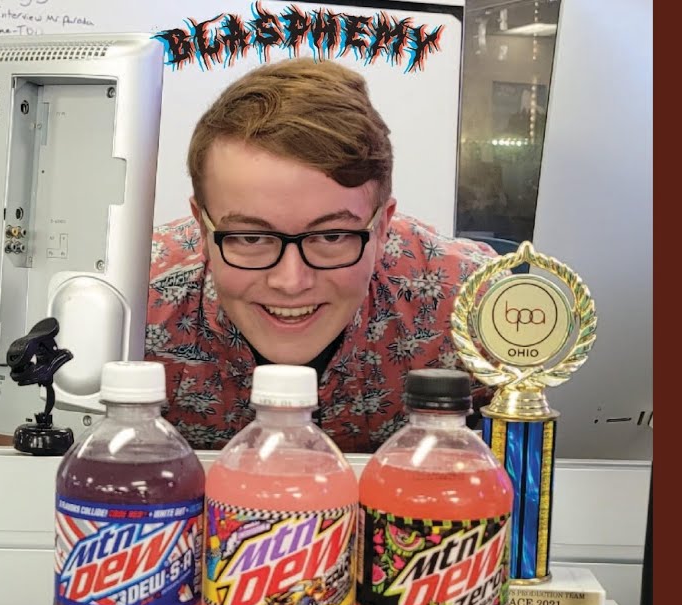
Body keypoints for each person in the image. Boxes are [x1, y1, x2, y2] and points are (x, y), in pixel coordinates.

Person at [145, 57, 499, 453]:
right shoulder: (134, 304)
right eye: (250, 237)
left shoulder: (476, 305)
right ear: (201, 226)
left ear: (382, 226)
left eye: (331, 236)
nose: (291, 281)